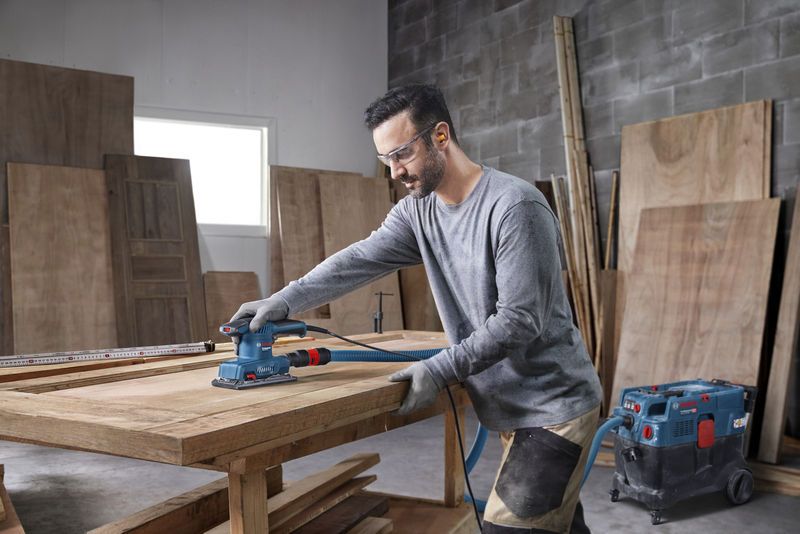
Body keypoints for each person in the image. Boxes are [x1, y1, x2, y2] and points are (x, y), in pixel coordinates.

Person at [232, 84, 603, 534]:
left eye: (402, 154)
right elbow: (358, 260)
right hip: (508, 406)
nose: (394, 171)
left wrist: (440, 367)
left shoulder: (514, 207)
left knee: (512, 528)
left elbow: (519, 320)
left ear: (441, 136)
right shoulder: (417, 212)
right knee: (558, 522)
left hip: (554, 406)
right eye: (386, 160)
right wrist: (283, 300)